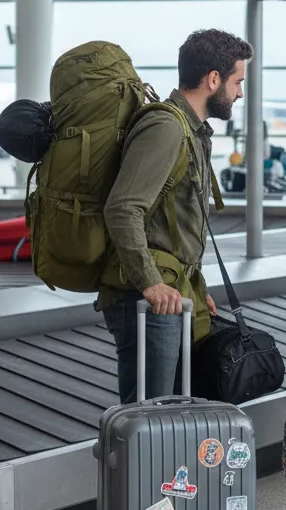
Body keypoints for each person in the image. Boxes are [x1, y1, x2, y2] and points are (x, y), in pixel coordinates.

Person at [100, 29, 251, 404]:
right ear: (213, 79)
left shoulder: (191, 129)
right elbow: (123, 208)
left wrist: (195, 291)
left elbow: (172, 224)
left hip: (171, 292)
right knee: (148, 418)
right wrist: (151, 283)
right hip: (148, 298)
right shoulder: (166, 128)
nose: (240, 93)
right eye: (237, 82)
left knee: (167, 416)